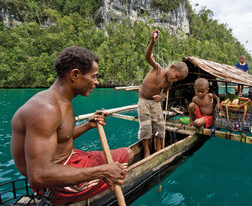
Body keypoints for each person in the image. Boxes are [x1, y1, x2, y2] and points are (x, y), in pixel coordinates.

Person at [11, 46, 134, 205]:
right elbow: (39, 175)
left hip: (67, 160)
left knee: (121, 160)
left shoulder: (61, 100)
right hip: (55, 185)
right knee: (128, 154)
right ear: (75, 74)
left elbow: (62, 137)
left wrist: (88, 125)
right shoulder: (45, 110)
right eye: (94, 76)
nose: (96, 82)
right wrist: (103, 171)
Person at [138, 29, 188, 158]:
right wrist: (152, 42)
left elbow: (165, 93)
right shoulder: (157, 69)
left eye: (178, 80)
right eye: (176, 76)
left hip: (155, 104)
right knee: (146, 128)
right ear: (172, 67)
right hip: (143, 102)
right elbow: (147, 57)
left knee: (160, 126)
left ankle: (158, 149)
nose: (175, 80)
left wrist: (162, 96)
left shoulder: (169, 83)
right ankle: (147, 152)